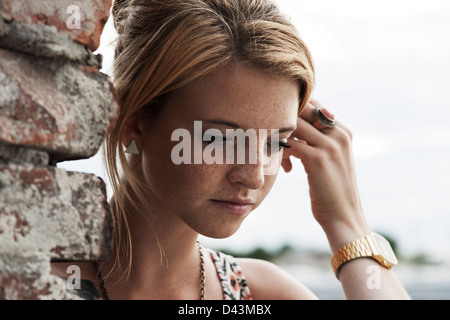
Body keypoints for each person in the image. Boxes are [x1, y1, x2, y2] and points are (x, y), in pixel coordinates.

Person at [52, 0, 410, 300]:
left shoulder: (263, 295)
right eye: (221, 140)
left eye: (275, 142)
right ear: (133, 122)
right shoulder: (34, 280)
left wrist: (346, 223)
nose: (253, 176)